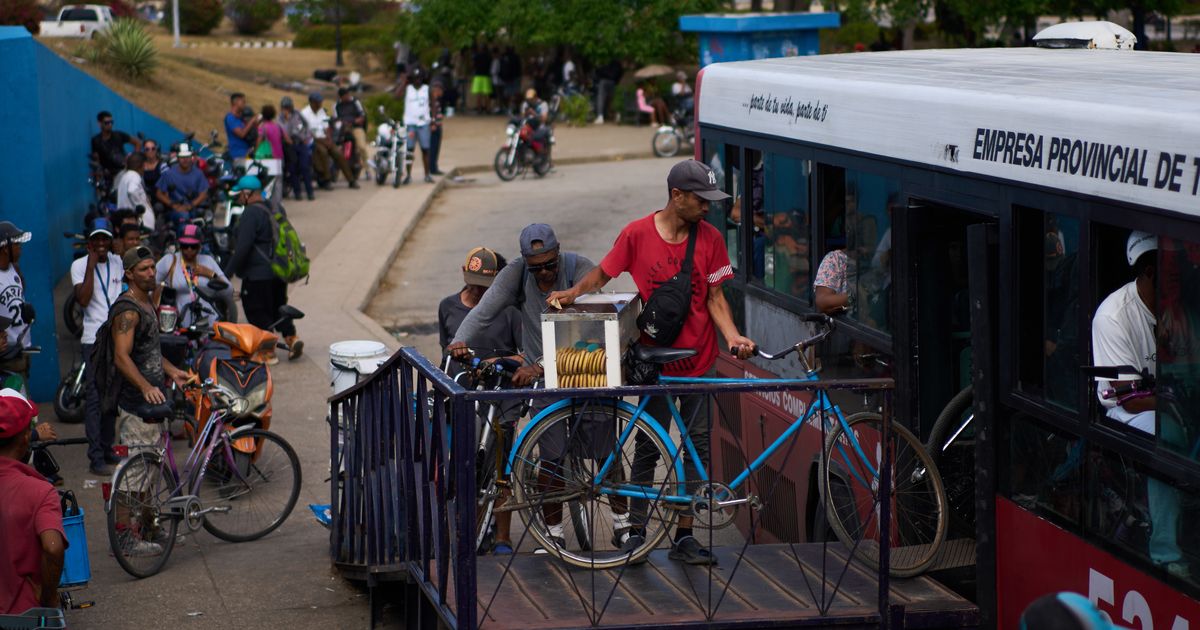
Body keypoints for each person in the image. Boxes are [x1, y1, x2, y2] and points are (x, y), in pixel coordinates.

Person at [546, 159, 757, 565]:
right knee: (648, 447)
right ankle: (637, 532)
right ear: (676, 196)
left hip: (700, 361)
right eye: (701, 199)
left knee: (697, 448)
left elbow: (716, 298)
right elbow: (603, 275)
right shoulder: (637, 234)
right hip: (655, 362)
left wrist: (732, 337)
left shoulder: (710, 238)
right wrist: (572, 293)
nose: (707, 207)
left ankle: (684, 535)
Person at [1091, 231, 1186, 579]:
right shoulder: (1113, 316)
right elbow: (1128, 399)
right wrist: (1174, 406)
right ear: (1149, 272)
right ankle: (1165, 552)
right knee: (1170, 441)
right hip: (1128, 410)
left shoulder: (1177, 307)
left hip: (1170, 398)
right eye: (1171, 272)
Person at [438, 247, 523, 554]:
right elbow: (444, 353)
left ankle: (502, 537)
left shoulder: (511, 310)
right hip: (466, 397)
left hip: (501, 393)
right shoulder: (448, 307)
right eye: (471, 281)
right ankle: (469, 532)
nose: (476, 289)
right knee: (468, 466)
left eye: (484, 284)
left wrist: (499, 362)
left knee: (501, 466)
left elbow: (525, 354)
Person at [110, 246, 191, 557]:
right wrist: (145, 386)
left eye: (151, 268)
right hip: (136, 406)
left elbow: (150, 350)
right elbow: (121, 356)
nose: (150, 273)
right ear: (129, 273)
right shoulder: (128, 309)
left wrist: (173, 373)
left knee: (150, 471)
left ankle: (149, 526)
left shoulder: (147, 302)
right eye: (143, 269)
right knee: (132, 475)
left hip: (153, 404)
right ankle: (124, 537)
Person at [222, 176, 303, 362]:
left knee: (258, 311)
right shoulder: (276, 207)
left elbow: (243, 248)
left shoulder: (251, 213)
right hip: (279, 271)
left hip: (257, 275)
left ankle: (267, 353)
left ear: (248, 193)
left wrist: (226, 274)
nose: (238, 198)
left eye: (239, 194)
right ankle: (292, 339)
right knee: (278, 308)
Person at [0, 389, 66, 615]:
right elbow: (53, 547)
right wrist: (49, 598)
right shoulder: (39, 491)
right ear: (27, 436)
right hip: (24, 615)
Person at [72, 218, 124, 476]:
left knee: (112, 397)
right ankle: (95, 457)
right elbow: (82, 300)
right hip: (93, 341)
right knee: (94, 398)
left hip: (117, 339)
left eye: (106, 238)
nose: (102, 244)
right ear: (90, 242)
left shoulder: (118, 261)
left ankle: (106, 447)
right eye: (97, 239)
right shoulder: (79, 265)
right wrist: (91, 266)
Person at [155, 225, 233, 328]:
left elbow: (229, 290)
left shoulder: (208, 261)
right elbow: (150, 284)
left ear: (200, 246)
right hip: (178, 323)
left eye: (193, 246)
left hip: (208, 322)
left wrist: (210, 274)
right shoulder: (169, 261)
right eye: (185, 245)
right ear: (179, 244)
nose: (189, 250)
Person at [301, 92, 357, 189]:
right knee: (323, 152)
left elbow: (326, 127)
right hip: (313, 140)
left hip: (324, 138)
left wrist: (329, 139)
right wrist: (322, 141)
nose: (320, 104)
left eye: (320, 102)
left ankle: (351, 180)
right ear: (312, 102)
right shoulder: (305, 113)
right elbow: (307, 132)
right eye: (318, 102)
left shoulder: (322, 112)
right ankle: (326, 179)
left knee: (338, 154)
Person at [0, 223, 31, 385]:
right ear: (6, 248)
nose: (20, 249)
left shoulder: (14, 269)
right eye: (17, 244)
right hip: (6, 353)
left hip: (22, 349)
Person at [155, 143, 209, 231]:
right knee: (183, 217)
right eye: (182, 157)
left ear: (191, 157)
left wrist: (191, 205)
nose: (185, 160)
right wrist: (172, 204)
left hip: (193, 209)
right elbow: (159, 193)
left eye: (187, 157)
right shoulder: (169, 173)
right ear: (178, 158)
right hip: (175, 211)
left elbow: (204, 193)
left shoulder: (198, 173)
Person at [280, 96, 315, 202]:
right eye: (284, 107)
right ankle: (297, 192)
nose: (287, 109)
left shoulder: (297, 114)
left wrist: (306, 136)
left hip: (301, 143)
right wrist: (287, 119)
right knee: (292, 169)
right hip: (290, 145)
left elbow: (306, 125)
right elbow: (283, 131)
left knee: (305, 167)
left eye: (288, 107)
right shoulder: (280, 118)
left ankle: (310, 192)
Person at [90, 110, 141, 182]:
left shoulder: (118, 135)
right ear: (99, 123)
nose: (110, 124)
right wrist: (98, 178)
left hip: (124, 171)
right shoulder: (96, 140)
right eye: (106, 123)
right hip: (108, 175)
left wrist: (134, 159)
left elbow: (137, 143)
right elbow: (96, 161)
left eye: (111, 122)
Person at [403, 68, 434, 185]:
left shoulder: (426, 89)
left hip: (423, 123)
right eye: (415, 78)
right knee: (409, 150)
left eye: (420, 78)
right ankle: (408, 175)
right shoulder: (408, 89)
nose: (418, 80)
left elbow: (433, 104)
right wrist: (404, 82)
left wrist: (433, 120)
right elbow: (396, 95)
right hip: (410, 124)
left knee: (425, 149)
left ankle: (427, 175)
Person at [334, 88, 369, 181]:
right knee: (337, 148)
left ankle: (367, 169)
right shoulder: (337, 105)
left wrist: (353, 122)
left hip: (356, 127)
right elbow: (335, 119)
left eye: (348, 95)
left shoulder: (355, 102)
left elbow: (362, 117)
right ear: (341, 97)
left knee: (361, 147)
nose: (348, 97)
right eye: (345, 96)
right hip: (343, 129)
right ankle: (337, 171)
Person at [114, 152, 154, 232]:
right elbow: (132, 191)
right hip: (137, 225)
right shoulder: (134, 176)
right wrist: (140, 207)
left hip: (129, 223)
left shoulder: (126, 176)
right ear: (142, 165)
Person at [224, 92, 261, 162]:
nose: (245, 104)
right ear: (236, 102)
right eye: (243, 102)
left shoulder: (240, 118)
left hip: (247, 153)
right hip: (237, 155)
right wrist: (252, 121)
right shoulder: (230, 118)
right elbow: (241, 134)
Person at [593, 60, 622, 124]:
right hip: (613, 82)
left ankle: (600, 116)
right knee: (611, 100)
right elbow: (619, 74)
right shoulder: (617, 63)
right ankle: (616, 115)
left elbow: (599, 71)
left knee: (601, 98)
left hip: (604, 81)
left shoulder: (604, 61)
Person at [428, 80, 446, 176]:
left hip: (438, 126)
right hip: (434, 128)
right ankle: (432, 168)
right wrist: (433, 124)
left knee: (436, 148)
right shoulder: (431, 101)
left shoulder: (436, 100)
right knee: (433, 148)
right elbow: (430, 114)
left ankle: (434, 167)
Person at [471, 44, 493, 114]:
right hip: (486, 76)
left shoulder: (476, 56)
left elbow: (473, 65)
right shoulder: (489, 57)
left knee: (478, 94)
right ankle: (487, 109)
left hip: (478, 76)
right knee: (486, 94)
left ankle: (479, 109)